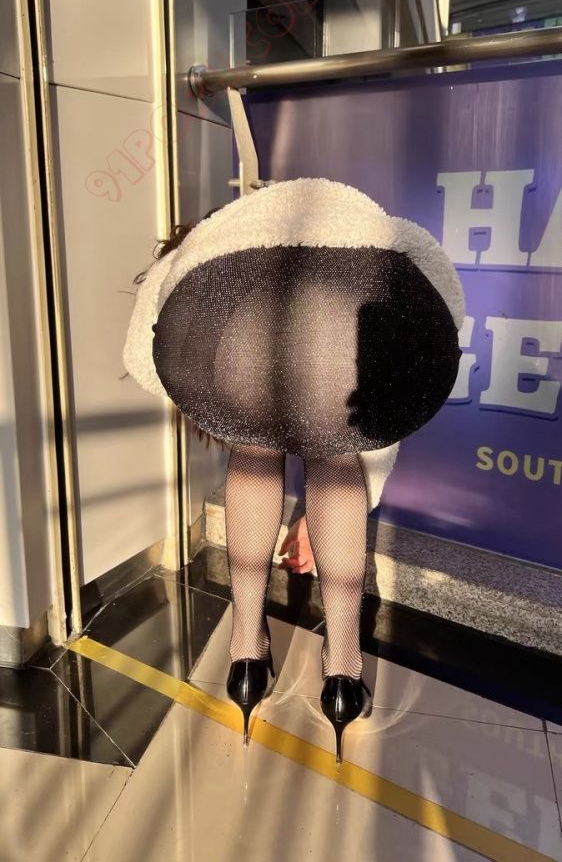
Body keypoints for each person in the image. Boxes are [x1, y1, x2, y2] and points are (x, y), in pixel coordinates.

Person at [123, 179, 463, 763]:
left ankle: (245, 657)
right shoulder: (352, 223)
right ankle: (342, 674)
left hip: (225, 334)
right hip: (349, 314)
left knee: (253, 450)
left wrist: (208, 399)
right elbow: (439, 299)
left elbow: (139, 356)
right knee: (337, 455)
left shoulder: (210, 245)